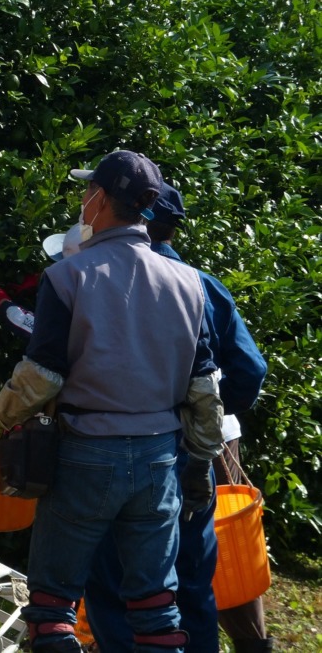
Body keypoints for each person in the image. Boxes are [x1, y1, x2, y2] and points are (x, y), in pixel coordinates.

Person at [0, 150, 225, 653]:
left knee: (52, 610)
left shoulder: (68, 276)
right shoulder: (188, 283)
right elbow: (204, 386)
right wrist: (198, 462)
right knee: (157, 608)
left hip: (86, 453)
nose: (82, 200)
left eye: (87, 191)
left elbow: (42, 375)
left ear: (101, 200)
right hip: (160, 458)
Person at [83, 184, 271, 653]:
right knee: (190, 577)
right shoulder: (202, 283)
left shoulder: (105, 280)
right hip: (194, 455)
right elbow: (251, 370)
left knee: (116, 580)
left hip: (119, 450)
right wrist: (210, 414)